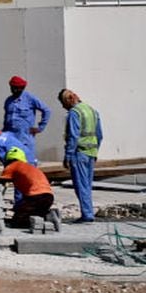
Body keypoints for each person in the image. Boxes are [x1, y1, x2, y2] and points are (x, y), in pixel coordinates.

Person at [59, 89, 103, 223]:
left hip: (79, 153)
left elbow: (73, 136)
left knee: (81, 185)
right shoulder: (91, 110)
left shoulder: (74, 113)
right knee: (87, 185)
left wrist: (68, 156)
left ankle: (87, 214)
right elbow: (99, 135)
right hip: (91, 153)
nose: (63, 107)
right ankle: (88, 212)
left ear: (68, 100)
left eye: (63, 103)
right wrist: (95, 151)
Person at [0, 146, 58, 229]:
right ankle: (46, 216)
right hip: (49, 197)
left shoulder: (12, 166)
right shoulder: (30, 167)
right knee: (36, 215)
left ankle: (46, 218)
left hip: (35, 197)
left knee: (17, 221)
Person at [3, 76, 50, 159]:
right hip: (11, 140)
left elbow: (46, 110)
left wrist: (40, 128)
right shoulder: (8, 101)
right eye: (13, 88)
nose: (15, 90)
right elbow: (6, 119)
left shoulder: (30, 98)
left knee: (27, 165)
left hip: (25, 140)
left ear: (22, 88)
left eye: (17, 88)